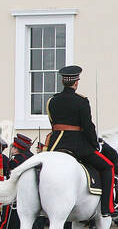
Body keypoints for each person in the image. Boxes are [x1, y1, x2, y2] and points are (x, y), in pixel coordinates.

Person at [44, 65, 114, 219]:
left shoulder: (51, 101)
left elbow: (52, 123)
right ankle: (106, 207)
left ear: (63, 82)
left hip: (55, 145)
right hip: (78, 146)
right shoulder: (82, 101)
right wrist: (95, 144)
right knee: (108, 166)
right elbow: (88, 127)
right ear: (76, 83)